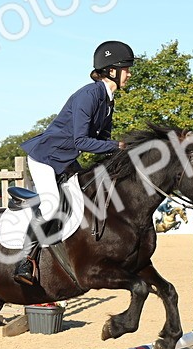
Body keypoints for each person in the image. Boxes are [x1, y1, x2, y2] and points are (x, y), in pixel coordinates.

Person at [14, 40, 132, 285]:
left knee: (87, 195)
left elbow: (104, 140)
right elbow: (81, 141)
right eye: (126, 69)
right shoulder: (88, 96)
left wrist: (121, 155)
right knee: (52, 205)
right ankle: (25, 260)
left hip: (65, 160)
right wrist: (116, 147)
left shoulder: (108, 100)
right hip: (46, 157)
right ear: (112, 71)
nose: (129, 74)